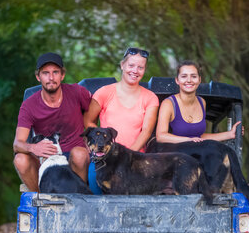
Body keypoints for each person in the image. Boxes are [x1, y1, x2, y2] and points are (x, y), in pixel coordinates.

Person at [13, 52, 92, 191]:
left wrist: (88, 136)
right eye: (45, 73)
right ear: (38, 77)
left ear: (62, 75)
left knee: (79, 154)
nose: (51, 77)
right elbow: (17, 144)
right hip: (46, 159)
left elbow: (93, 114)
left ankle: (80, 198)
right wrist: (33, 147)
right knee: (20, 160)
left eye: (55, 72)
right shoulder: (29, 105)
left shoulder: (77, 92)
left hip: (74, 156)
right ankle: (41, 200)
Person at [84, 47, 159, 152]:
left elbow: (146, 131)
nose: (135, 71)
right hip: (106, 154)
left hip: (135, 156)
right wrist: (102, 143)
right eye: (131, 65)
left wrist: (127, 155)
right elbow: (88, 121)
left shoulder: (150, 98)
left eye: (140, 67)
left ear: (144, 70)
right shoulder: (104, 92)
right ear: (122, 65)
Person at [156, 60, 241, 143]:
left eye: (193, 76)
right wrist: (188, 140)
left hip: (197, 152)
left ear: (199, 80)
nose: (189, 80)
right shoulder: (169, 104)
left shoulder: (202, 102)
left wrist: (230, 134)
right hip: (176, 153)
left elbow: (199, 137)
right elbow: (161, 136)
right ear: (177, 80)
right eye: (184, 76)